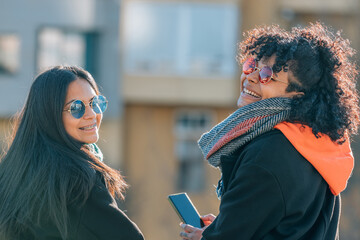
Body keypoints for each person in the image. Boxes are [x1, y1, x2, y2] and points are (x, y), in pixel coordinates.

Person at [179, 22, 360, 239]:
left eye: (267, 75)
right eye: (252, 66)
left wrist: (208, 236)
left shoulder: (268, 154)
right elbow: (291, 225)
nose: (252, 77)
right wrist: (224, 224)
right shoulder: (315, 147)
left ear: (297, 96)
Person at [0, 66, 144, 240]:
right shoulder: (78, 179)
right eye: (76, 108)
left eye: (95, 103)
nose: (92, 114)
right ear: (50, 115)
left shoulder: (8, 174)